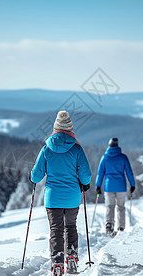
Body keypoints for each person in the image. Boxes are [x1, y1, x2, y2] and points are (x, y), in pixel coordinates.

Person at [30, 110, 92, 275]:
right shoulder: (76, 149)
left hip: (53, 198)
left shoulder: (46, 149)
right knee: (70, 227)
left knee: (56, 230)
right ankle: (71, 257)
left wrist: (33, 179)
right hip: (72, 197)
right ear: (70, 129)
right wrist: (84, 184)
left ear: (55, 129)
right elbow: (86, 175)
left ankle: (58, 263)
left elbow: (36, 176)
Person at [95, 137, 135, 235]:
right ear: (117, 145)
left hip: (109, 187)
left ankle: (109, 224)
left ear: (109, 145)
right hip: (121, 186)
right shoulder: (123, 157)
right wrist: (132, 185)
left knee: (109, 206)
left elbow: (100, 173)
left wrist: (98, 185)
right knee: (120, 206)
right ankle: (121, 227)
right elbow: (129, 172)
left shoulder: (105, 157)